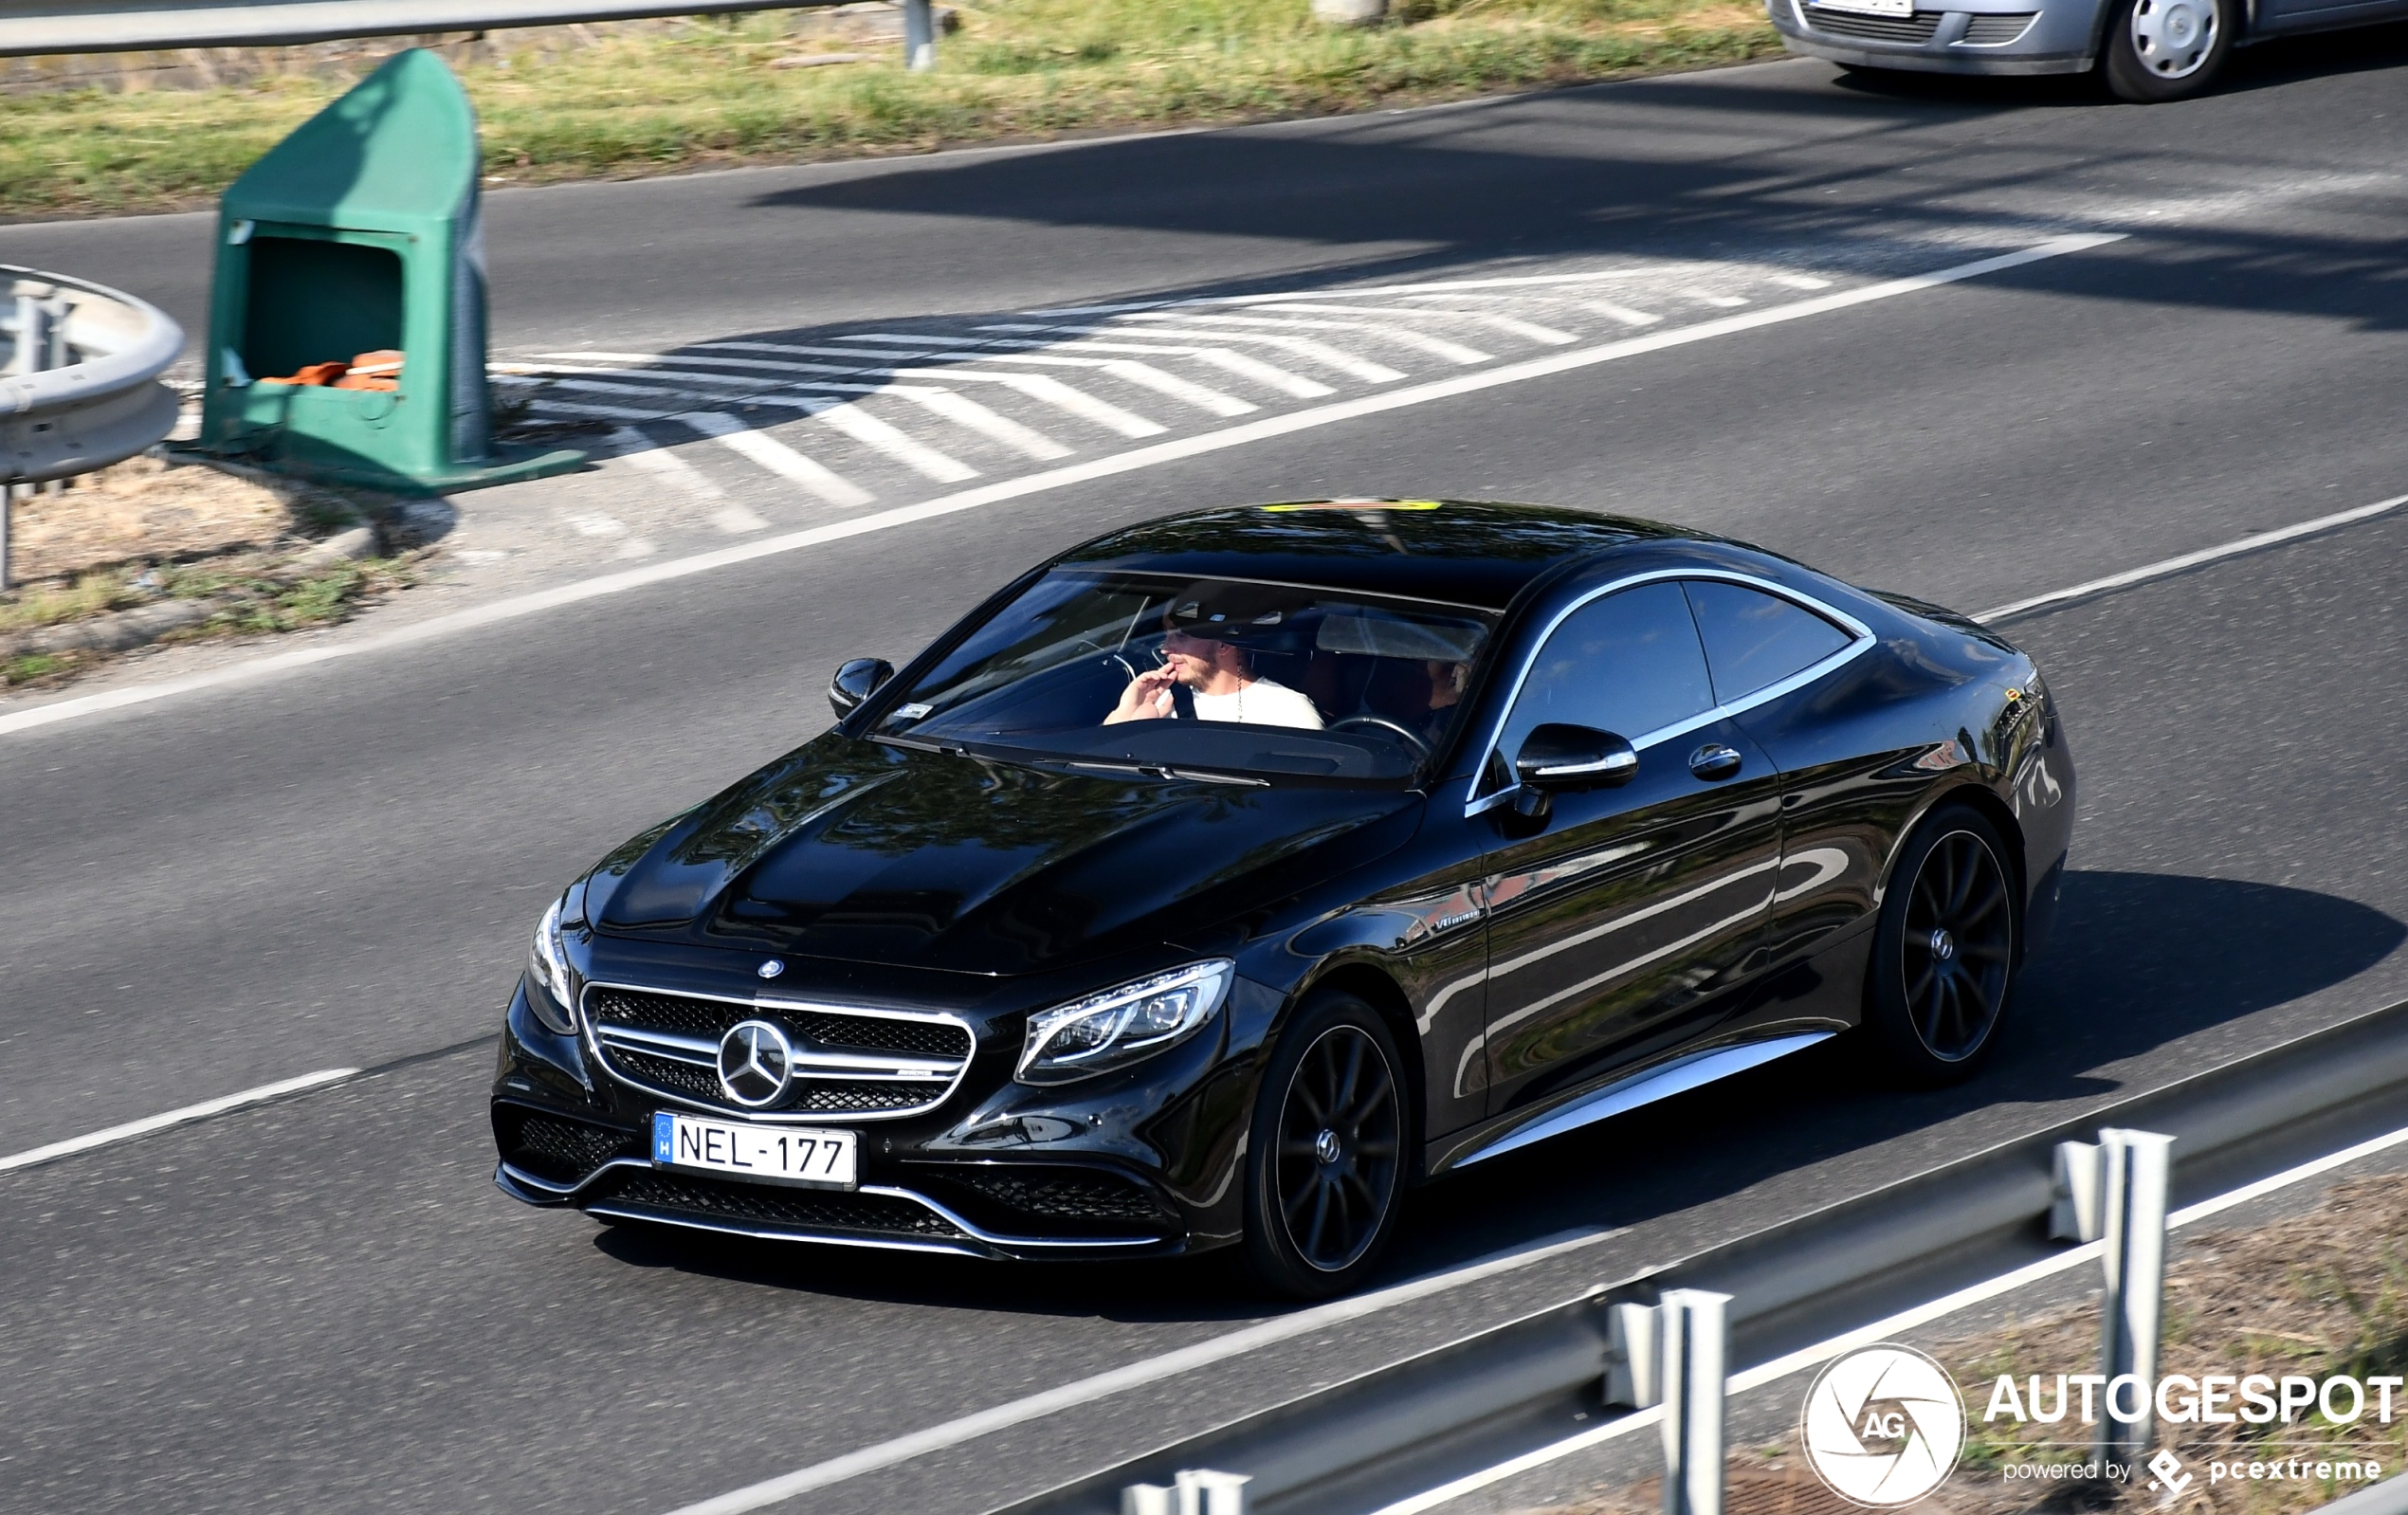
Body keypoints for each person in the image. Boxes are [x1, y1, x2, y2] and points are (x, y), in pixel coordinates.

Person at [1105, 591, 1323, 730]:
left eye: (1180, 636)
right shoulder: (1160, 702)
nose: (1165, 649)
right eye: (1166, 635)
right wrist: (1126, 712)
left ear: (1224, 644)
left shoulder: (1285, 709)